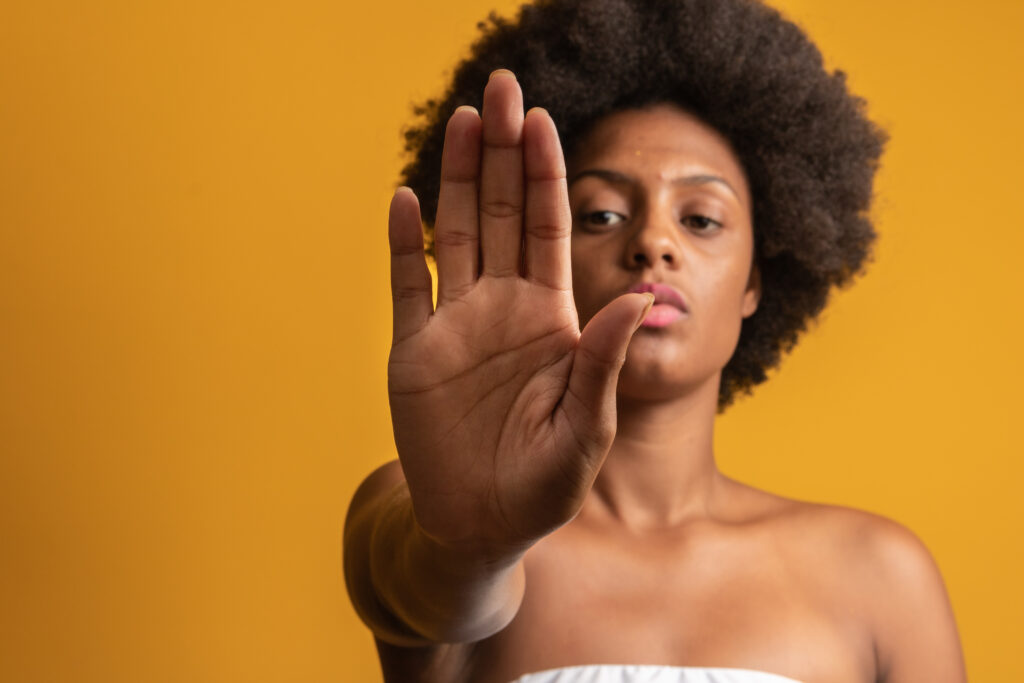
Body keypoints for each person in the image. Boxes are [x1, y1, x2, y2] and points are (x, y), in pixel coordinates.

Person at [343, 0, 966, 680]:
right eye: (602, 213)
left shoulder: (880, 575)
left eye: (700, 219)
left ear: (756, 282)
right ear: (534, 248)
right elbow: (415, 590)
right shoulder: (430, 508)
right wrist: (471, 548)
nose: (652, 243)